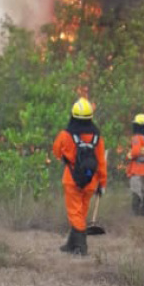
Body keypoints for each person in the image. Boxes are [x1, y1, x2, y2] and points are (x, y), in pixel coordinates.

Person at [52, 98, 107, 256]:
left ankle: (81, 247)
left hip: (72, 180)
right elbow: (101, 162)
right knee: (81, 213)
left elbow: (56, 151)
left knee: (75, 214)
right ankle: (71, 244)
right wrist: (102, 184)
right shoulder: (97, 137)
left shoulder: (65, 135)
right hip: (92, 181)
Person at [126, 113, 144, 216]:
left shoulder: (137, 137)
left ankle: (136, 215)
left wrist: (129, 155)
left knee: (136, 192)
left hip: (137, 170)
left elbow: (135, 152)